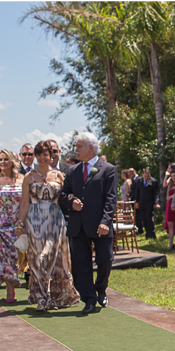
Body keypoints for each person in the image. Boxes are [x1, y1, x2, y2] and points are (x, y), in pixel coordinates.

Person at [16, 140, 80, 311]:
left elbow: (66, 198)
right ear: (35, 157)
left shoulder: (59, 176)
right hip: (34, 220)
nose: (43, 157)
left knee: (52, 257)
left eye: (46, 154)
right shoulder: (28, 177)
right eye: (40, 154)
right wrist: (19, 224)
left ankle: (56, 296)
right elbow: (24, 204)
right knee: (37, 259)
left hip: (54, 220)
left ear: (51, 156)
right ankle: (41, 297)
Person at [59, 132, 117, 315]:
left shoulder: (108, 169)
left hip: (101, 225)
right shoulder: (72, 171)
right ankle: (89, 298)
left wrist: (106, 221)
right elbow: (63, 195)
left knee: (105, 259)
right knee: (81, 264)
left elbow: (111, 199)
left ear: (90, 148)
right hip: (78, 225)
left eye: (79, 146)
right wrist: (71, 202)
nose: (76, 149)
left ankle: (101, 287)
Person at [0, 149, 24, 303]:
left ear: (12, 161)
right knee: (4, 257)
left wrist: (22, 222)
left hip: (18, 223)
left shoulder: (22, 179)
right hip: (0, 224)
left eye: (5, 159)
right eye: (0, 160)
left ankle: (22, 281)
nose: (2, 162)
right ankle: (9, 289)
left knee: (18, 256)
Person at [135, 168, 160, 239]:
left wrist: (156, 202)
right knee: (143, 218)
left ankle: (152, 233)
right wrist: (136, 202)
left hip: (150, 203)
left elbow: (156, 193)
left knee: (149, 218)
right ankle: (147, 233)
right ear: (142, 175)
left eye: (147, 176)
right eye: (145, 176)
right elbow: (137, 192)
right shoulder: (139, 181)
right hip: (141, 203)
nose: (146, 178)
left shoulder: (154, 181)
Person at [163, 169, 175, 249]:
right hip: (170, 205)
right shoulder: (170, 185)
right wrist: (171, 197)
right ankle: (170, 243)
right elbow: (167, 197)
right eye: (172, 176)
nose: (173, 177)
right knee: (170, 224)